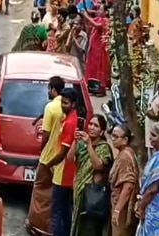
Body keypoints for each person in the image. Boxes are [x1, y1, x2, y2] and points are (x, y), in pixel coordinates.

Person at [26, 76, 66, 235]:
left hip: (48, 157)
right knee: (52, 196)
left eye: (49, 88)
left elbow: (46, 134)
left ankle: (37, 226)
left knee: (39, 192)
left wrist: (42, 151)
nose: (47, 91)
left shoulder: (51, 108)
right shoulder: (68, 107)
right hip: (61, 159)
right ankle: (50, 228)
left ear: (54, 90)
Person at [67, 114, 112, 236]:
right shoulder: (81, 144)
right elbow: (70, 159)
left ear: (102, 131)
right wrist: (75, 142)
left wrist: (89, 145)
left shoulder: (104, 148)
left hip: (92, 195)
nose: (91, 127)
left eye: (96, 126)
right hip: (78, 189)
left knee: (88, 228)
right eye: (90, 124)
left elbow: (98, 165)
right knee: (76, 223)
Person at [47, 87, 79, 236]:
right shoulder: (70, 117)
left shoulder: (69, 123)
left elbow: (63, 153)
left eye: (66, 103)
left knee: (57, 211)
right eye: (62, 102)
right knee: (65, 210)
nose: (62, 106)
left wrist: (48, 164)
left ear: (73, 104)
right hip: (66, 172)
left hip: (63, 172)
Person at [135, 122, 159, 236]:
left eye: (153, 135)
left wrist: (141, 205)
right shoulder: (156, 156)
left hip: (155, 208)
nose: (150, 138)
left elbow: (152, 189)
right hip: (149, 205)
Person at [108, 123, 139, 236]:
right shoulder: (127, 152)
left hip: (121, 208)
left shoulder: (125, 157)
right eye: (112, 136)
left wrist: (117, 210)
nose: (113, 139)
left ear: (125, 139)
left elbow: (128, 185)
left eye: (116, 137)